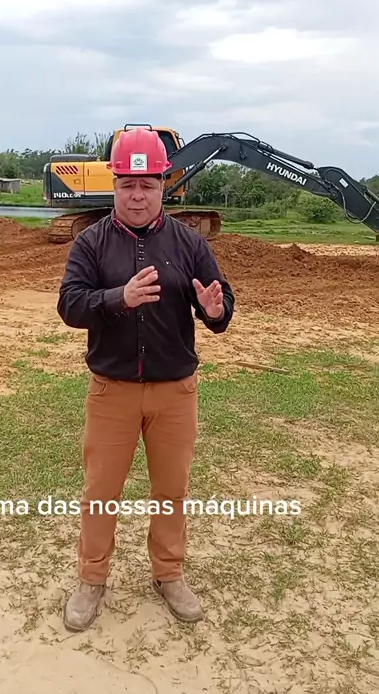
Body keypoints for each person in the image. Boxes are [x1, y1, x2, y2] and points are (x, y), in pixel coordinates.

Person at [57, 126, 235, 632]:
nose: (137, 195)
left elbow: (221, 304)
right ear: (114, 184)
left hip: (175, 392)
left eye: (147, 185)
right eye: (127, 185)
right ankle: (91, 579)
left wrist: (216, 310)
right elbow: (70, 305)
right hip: (111, 392)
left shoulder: (189, 243)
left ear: (164, 187)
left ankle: (169, 574)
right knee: (100, 491)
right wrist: (119, 298)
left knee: (172, 489)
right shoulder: (90, 243)